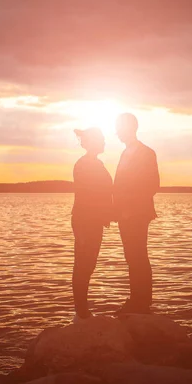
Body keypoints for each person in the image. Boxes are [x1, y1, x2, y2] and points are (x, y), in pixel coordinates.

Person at [113, 113, 160, 314]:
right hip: (125, 214)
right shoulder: (126, 153)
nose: (116, 132)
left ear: (131, 128)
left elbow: (153, 185)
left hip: (137, 214)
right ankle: (137, 299)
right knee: (132, 257)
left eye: (119, 128)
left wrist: (129, 208)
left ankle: (142, 301)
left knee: (138, 255)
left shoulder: (146, 153)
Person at [71, 127, 113, 322]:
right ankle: (81, 311)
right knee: (83, 264)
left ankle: (82, 309)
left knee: (89, 264)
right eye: (102, 139)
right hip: (84, 220)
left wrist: (107, 213)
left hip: (93, 220)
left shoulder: (96, 163)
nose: (105, 142)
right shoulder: (83, 164)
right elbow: (87, 195)